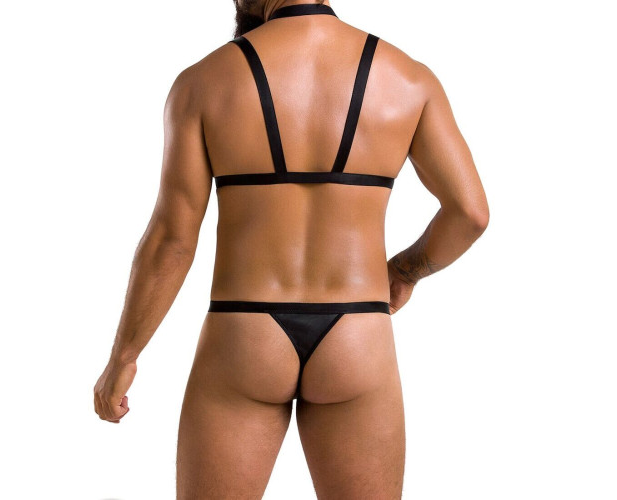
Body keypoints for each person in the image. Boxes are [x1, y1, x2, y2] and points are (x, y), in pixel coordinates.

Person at [93, 0, 489, 497]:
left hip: (245, 331)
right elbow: (470, 213)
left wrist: (124, 357)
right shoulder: (409, 79)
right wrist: (404, 272)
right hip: (357, 331)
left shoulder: (203, 82)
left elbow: (172, 239)